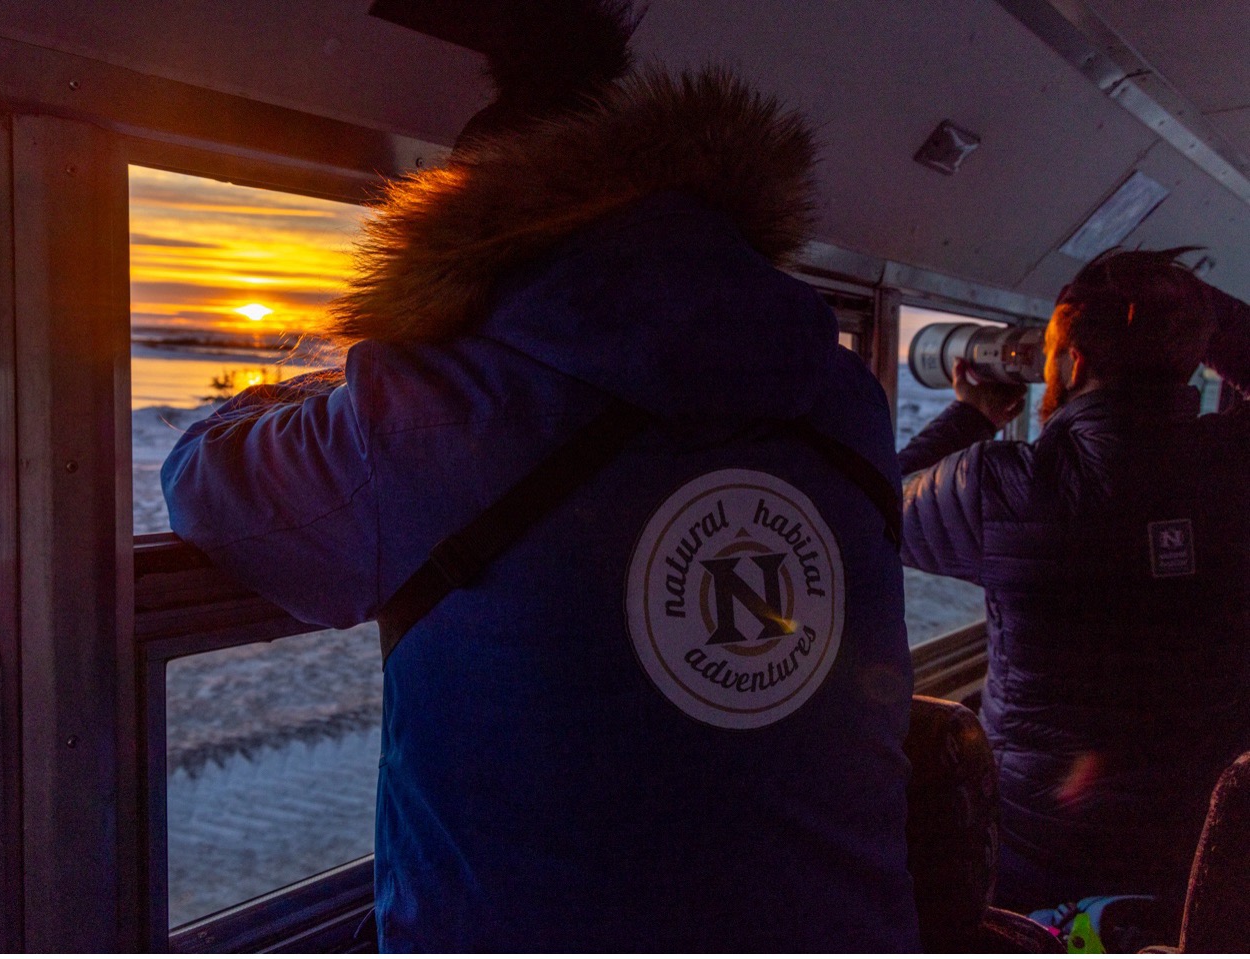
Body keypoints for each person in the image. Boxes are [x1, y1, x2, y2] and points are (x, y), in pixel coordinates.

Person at [163, 1, 919, 950]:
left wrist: (309, 390)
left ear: (465, 220)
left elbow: (205, 482)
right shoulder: (846, 393)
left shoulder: (443, 400)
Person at [899, 247, 1250, 928]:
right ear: (1192, 353)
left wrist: (971, 414)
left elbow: (874, 507)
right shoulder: (1239, 466)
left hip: (1038, 848)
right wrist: (1186, 309)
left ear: (1075, 360)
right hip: (1200, 841)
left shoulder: (1002, 485)